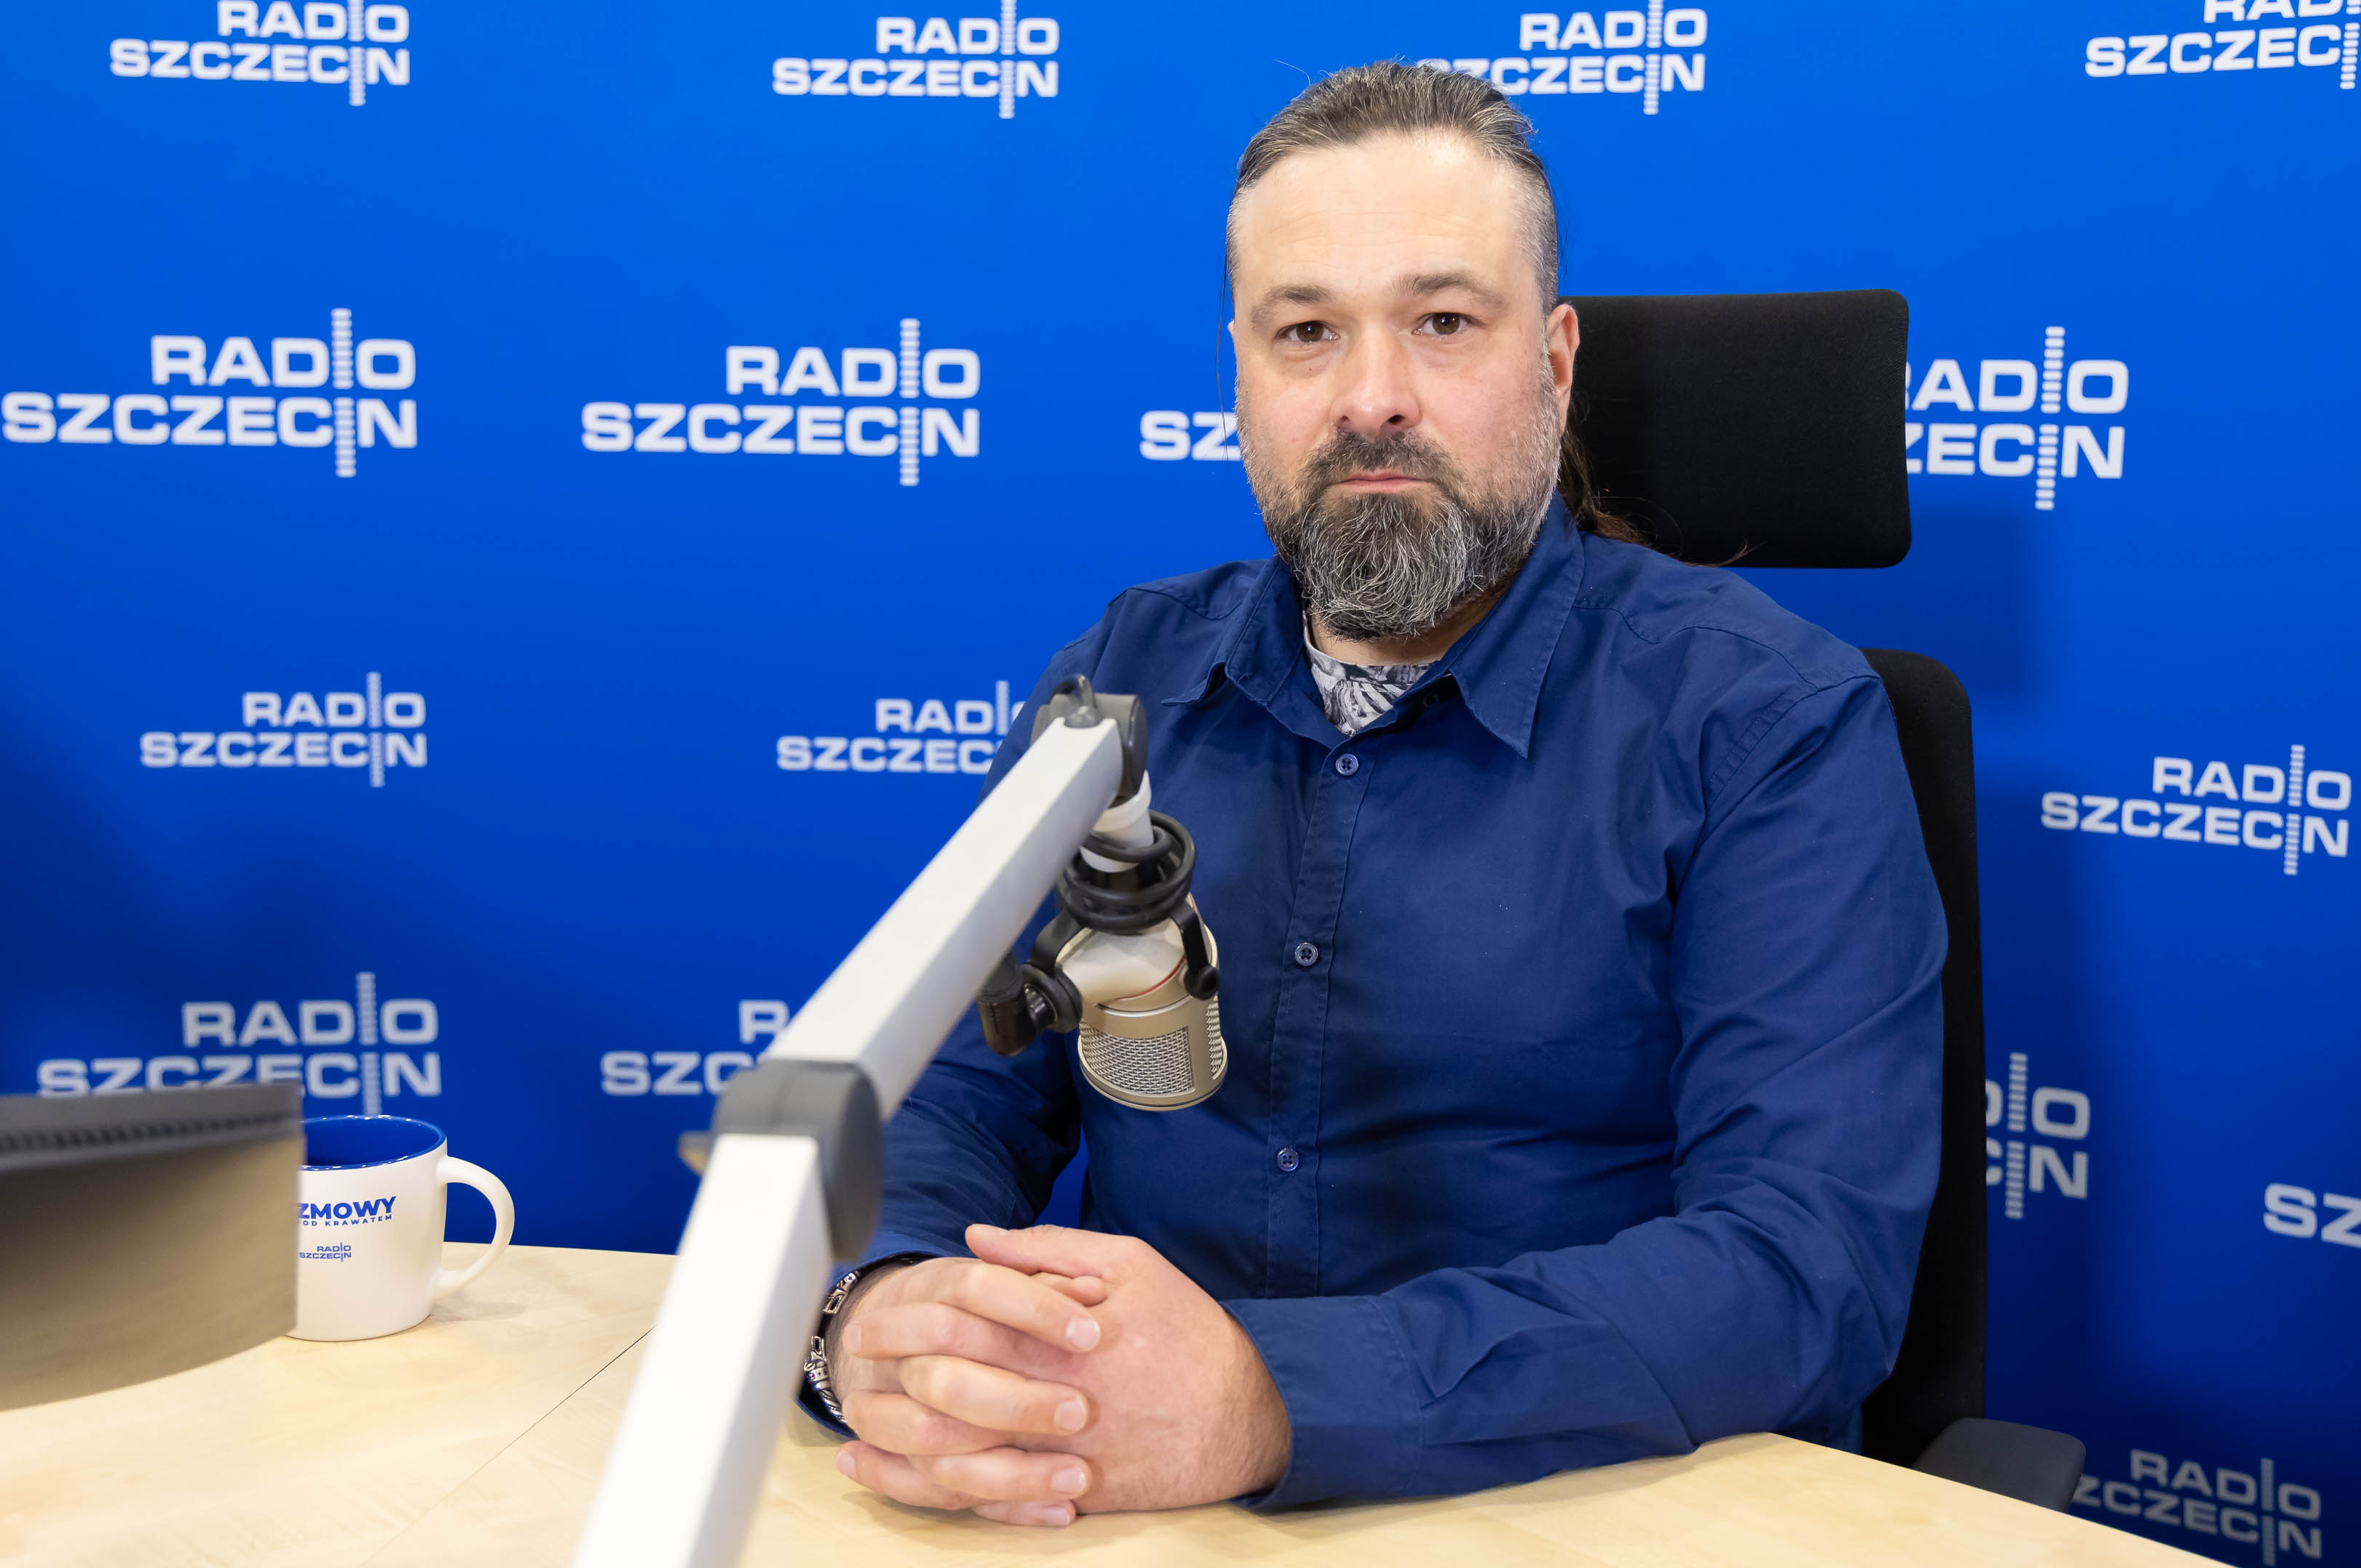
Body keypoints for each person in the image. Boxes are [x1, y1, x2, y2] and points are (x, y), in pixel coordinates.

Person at [801, 61, 1946, 1528]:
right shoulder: (1117, 682)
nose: (1371, 399)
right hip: (1130, 1505)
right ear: (1240, 370)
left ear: (1556, 362)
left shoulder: (1767, 720)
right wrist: (881, 1299)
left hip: (1597, 1513)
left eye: (1444, 322)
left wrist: (1270, 1395)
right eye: (1307, 332)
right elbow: (959, 1092)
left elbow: (1805, 1265)